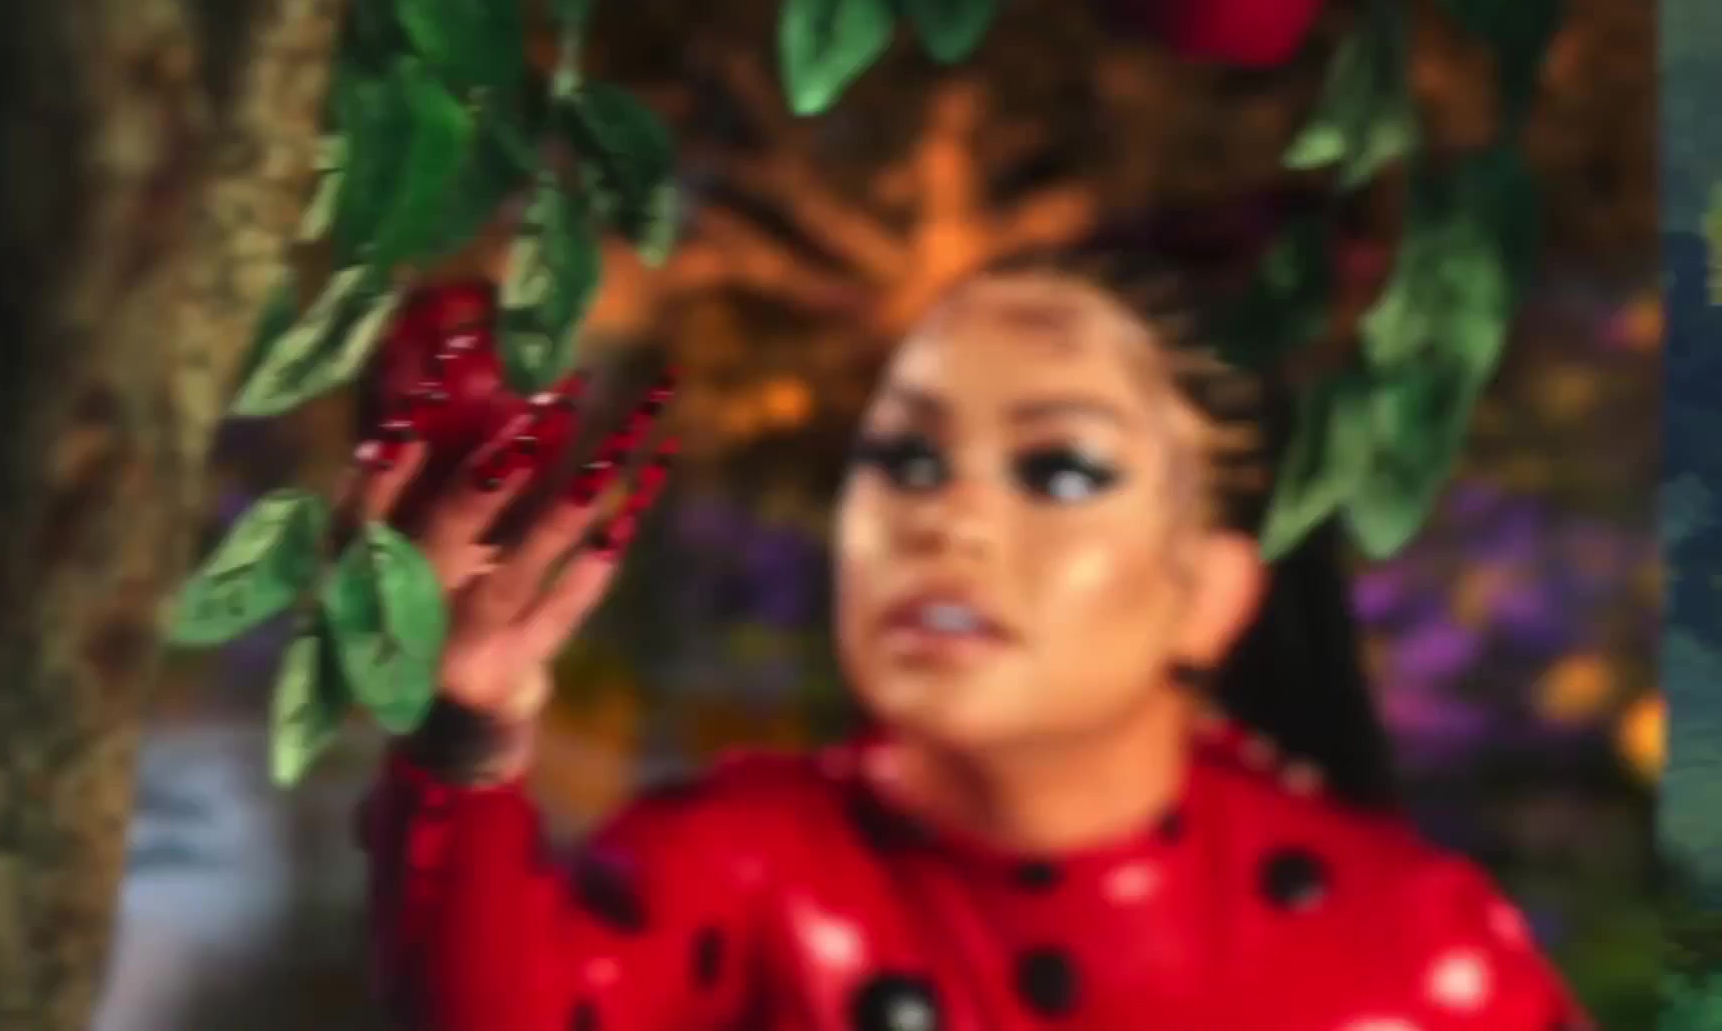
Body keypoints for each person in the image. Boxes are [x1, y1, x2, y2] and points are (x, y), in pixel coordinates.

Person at [351, 252, 1590, 1030]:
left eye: (1058, 470)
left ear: (1212, 592)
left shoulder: (1413, 946)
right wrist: (465, 736)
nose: (950, 519)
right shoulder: (745, 866)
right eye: (906, 458)